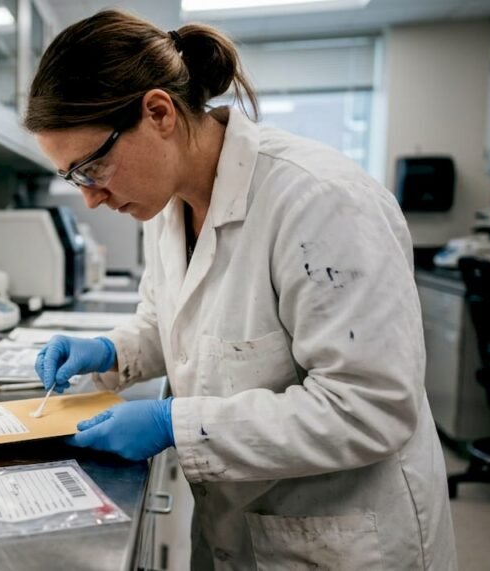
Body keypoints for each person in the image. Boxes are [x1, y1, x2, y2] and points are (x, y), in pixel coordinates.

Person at [30, 10, 456, 570]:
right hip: (239, 528)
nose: (90, 198)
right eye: (73, 178)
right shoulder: (168, 204)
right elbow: (175, 325)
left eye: (92, 168)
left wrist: (171, 424)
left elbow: (370, 406)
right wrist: (113, 350)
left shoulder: (320, 201)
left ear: (157, 112)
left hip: (344, 538)